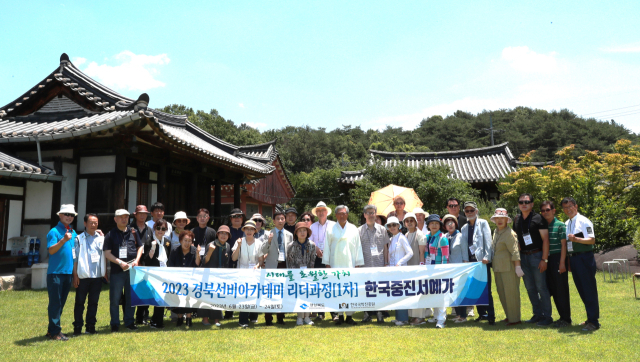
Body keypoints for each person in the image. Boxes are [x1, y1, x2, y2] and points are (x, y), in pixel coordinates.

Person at [514, 193, 552, 326]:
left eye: (526, 202)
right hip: (523, 257)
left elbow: (546, 240)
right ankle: (537, 314)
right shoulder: (517, 219)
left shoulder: (538, 218)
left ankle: (547, 317)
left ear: (532, 204)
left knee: (541, 287)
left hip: (537, 255)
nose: (523, 204)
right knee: (530, 288)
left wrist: (544, 259)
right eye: (521, 202)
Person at [562, 197, 599, 331]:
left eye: (570, 206)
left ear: (576, 206)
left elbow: (592, 240)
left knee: (589, 289)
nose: (568, 209)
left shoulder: (584, 221)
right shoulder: (567, 223)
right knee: (582, 290)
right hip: (574, 259)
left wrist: (576, 238)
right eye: (565, 208)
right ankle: (590, 318)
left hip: (585, 258)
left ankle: (594, 322)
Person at [322, 205, 364, 325]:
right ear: (335, 215)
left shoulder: (353, 228)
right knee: (338, 290)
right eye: (339, 213)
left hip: (350, 263)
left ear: (347, 214)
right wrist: (327, 264)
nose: (342, 215)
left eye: (344, 213)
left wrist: (358, 264)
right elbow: (327, 247)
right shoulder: (330, 229)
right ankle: (339, 315)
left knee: (350, 289)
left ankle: (349, 316)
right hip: (335, 264)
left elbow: (358, 247)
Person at [103, 209, 143, 332]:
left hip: (132, 270)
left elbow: (140, 246)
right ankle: (115, 323)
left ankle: (129, 322)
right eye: (121, 217)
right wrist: (120, 262)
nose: (124, 219)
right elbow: (107, 253)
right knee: (115, 299)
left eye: (126, 217)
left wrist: (137, 259)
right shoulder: (110, 234)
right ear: (115, 219)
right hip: (117, 271)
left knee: (131, 298)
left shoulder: (133, 232)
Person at [45, 204, 78, 341]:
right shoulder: (54, 231)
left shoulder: (73, 231)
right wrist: (63, 240)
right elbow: (51, 250)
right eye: (66, 214)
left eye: (71, 215)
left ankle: (52, 330)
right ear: (60, 215)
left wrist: (75, 274)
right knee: (55, 303)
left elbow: (75, 254)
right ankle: (55, 332)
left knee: (61, 302)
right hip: (55, 273)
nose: (69, 217)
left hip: (68, 273)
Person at [460, 201, 495, 324]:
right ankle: (482, 314)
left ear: (476, 211)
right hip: (470, 262)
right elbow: (464, 246)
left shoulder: (483, 223)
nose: (469, 213)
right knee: (475, 288)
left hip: (482, 261)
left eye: (472, 210)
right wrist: (465, 259)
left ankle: (491, 316)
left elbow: (488, 241)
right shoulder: (464, 228)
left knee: (486, 289)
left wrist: (487, 257)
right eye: (467, 211)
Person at [72, 213, 106, 336]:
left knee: (93, 302)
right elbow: (75, 258)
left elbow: (104, 256)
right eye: (91, 222)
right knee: (80, 302)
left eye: (95, 222)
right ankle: (77, 327)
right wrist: (75, 275)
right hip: (83, 276)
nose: (93, 225)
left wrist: (105, 273)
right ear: (85, 223)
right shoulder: (79, 238)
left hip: (97, 276)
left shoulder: (101, 238)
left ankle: (90, 326)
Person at [489, 208, 523, 326]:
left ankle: (515, 319)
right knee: (502, 293)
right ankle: (509, 316)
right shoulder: (496, 232)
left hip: (509, 268)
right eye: (497, 218)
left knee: (511, 293)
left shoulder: (510, 233)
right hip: (498, 268)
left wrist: (518, 267)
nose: (499, 220)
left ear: (506, 220)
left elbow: (515, 252)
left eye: (502, 218)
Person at [541, 200, 571, 328]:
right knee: (553, 289)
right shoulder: (543, 226)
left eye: (548, 210)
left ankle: (566, 319)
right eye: (543, 210)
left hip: (558, 258)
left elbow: (564, 244)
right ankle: (561, 317)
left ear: (554, 211)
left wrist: (562, 263)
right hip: (548, 260)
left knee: (561, 290)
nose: (545, 212)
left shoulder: (560, 225)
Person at [358, 204, 390, 323]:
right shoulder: (359, 230)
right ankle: (366, 314)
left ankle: (380, 314)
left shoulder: (382, 229)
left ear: (375, 214)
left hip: (379, 265)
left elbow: (386, 247)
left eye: (373, 213)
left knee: (379, 290)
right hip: (364, 265)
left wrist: (386, 262)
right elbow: (357, 249)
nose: (371, 215)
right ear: (364, 215)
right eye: (369, 213)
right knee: (366, 290)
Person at [261, 211, 293, 325]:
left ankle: (280, 317)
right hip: (271, 265)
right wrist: (269, 240)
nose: (280, 221)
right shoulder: (267, 234)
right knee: (269, 291)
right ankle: (268, 318)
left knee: (282, 292)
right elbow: (263, 250)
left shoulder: (289, 234)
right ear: (274, 221)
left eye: (282, 219)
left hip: (284, 265)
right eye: (278, 219)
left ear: (285, 220)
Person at [167, 230, 201, 328]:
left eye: (189, 241)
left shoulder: (194, 250)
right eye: (185, 240)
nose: (187, 243)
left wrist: (198, 253)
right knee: (178, 298)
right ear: (181, 240)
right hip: (177, 279)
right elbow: (171, 265)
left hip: (191, 279)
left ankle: (189, 318)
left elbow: (197, 264)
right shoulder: (174, 250)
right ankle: (180, 318)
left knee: (189, 298)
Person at [232, 220, 262, 328]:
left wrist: (257, 266)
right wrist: (239, 246)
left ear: (255, 231)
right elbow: (234, 258)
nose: (249, 231)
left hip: (254, 272)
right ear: (244, 230)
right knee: (244, 295)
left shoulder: (259, 242)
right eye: (247, 229)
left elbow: (261, 260)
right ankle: (243, 320)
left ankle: (253, 316)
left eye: (251, 229)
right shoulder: (239, 241)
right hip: (242, 272)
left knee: (254, 294)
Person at [202, 225, 233, 327]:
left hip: (221, 276)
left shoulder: (228, 246)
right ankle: (205, 318)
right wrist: (210, 251)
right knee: (207, 296)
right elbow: (205, 261)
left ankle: (216, 319)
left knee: (218, 296)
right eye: (221, 233)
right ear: (217, 234)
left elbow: (228, 262)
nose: (223, 235)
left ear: (228, 236)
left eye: (226, 234)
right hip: (209, 275)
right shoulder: (211, 244)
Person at [287, 222, 316, 326]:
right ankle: (299, 317)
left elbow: (312, 261)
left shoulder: (312, 245)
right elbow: (290, 263)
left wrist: (308, 274)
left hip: (308, 276)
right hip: (296, 275)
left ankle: (307, 317)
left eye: (304, 230)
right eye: (300, 231)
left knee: (308, 296)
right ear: (296, 233)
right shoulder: (291, 246)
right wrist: (298, 275)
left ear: (307, 232)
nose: (302, 233)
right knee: (299, 296)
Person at [309, 201, 335, 321]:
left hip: (331, 258)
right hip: (317, 258)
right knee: (319, 285)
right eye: (318, 211)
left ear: (326, 212)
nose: (321, 213)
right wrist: (317, 249)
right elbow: (310, 241)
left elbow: (335, 241)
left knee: (331, 285)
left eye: (322, 210)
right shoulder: (312, 226)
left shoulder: (333, 225)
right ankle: (320, 313)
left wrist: (327, 251)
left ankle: (334, 313)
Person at [386, 216, 414, 326]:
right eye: (389, 225)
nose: (392, 227)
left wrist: (400, 263)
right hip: (393, 271)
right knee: (396, 293)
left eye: (394, 225)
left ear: (398, 225)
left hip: (401, 270)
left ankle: (403, 319)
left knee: (401, 294)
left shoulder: (402, 237)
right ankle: (398, 317)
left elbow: (410, 253)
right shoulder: (391, 239)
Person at [130, 205, 154, 326]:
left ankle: (142, 316)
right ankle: (128, 317)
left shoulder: (149, 229)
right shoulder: (130, 228)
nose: (143, 215)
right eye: (140, 213)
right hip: (132, 264)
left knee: (145, 290)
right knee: (131, 291)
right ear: (135, 214)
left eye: (145, 213)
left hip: (146, 264)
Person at [442, 214, 468, 323]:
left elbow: (465, 253)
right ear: (445, 226)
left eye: (452, 222)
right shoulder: (445, 237)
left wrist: (465, 267)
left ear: (455, 224)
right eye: (447, 223)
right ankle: (458, 314)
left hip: (460, 269)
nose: (450, 225)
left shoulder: (460, 236)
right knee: (453, 292)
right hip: (449, 269)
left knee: (460, 292)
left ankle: (463, 316)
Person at [425, 214, 449, 328]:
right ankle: (435, 316)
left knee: (441, 295)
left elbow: (445, 257)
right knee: (433, 293)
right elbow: (426, 254)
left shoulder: (442, 238)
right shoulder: (427, 237)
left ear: (440, 225)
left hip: (439, 270)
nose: (434, 225)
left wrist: (443, 271)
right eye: (432, 223)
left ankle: (441, 319)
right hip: (430, 270)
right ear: (428, 225)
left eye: (436, 223)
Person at [146, 218, 170, 329]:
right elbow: (147, 260)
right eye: (158, 228)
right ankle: (155, 321)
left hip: (164, 272)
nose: (160, 230)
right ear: (154, 228)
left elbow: (168, 258)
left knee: (162, 297)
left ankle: (157, 320)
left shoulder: (166, 242)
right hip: (153, 273)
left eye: (163, 228)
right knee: (156, 298)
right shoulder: (150, 240)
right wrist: (153, 247)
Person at [403, 212, 427, 325]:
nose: (409, 223)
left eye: (411, 220)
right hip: (409, 268)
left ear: (415, 222)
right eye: (407, 221)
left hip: (418, 266)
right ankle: (413, 316)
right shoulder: (406, 235)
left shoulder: (420, 234)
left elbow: (422, 252)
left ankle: (420, 317)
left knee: (419, 291)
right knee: (411, 291)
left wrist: (421, 266)